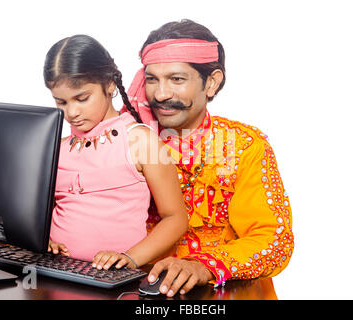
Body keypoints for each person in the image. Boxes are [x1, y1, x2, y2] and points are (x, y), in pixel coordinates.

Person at [121, 19, 294, 297]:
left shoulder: (242, 145)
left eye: (176, 79)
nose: (161, 94)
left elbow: (274, 240)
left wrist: (204, 265)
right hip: (137, 291)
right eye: (152, 79)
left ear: (211, 82)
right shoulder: (127, 142)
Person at [43, 34, 188, 271]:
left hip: (116, 279)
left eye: (82, 98)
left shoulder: (142, 141)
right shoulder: (57, 146)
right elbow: (42, 211)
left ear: (109, 84)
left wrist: (131, 258)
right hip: (57, 271)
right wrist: (45, 241)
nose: (72, 112)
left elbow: (176, 218)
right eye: (61, 102)